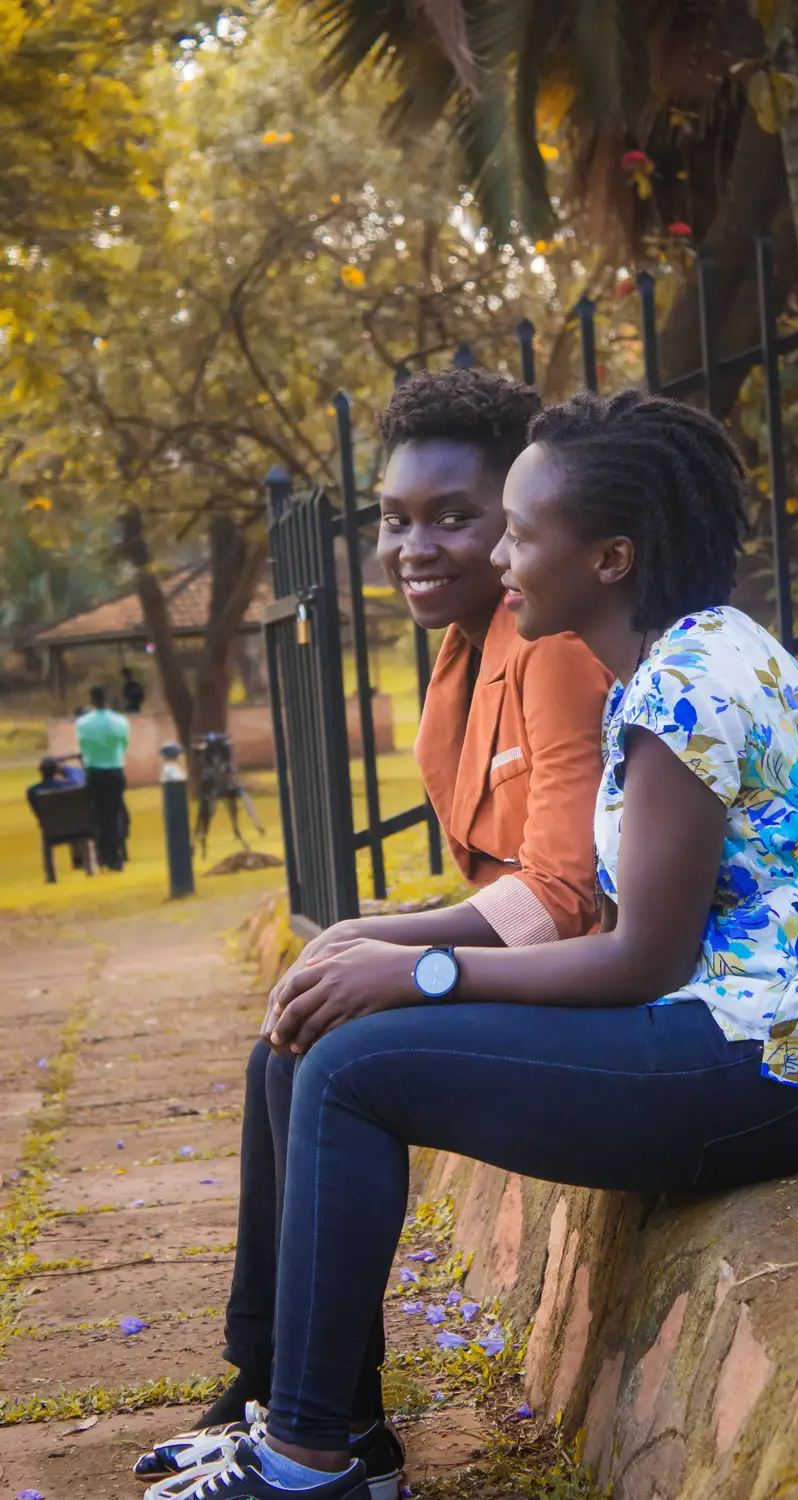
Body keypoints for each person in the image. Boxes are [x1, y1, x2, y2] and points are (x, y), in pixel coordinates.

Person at [153, 390, 798, 1500]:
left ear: (609, 557)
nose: (497, 559)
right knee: (337, 1045)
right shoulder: (693, 658)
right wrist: (399, 966)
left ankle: (311, 1458)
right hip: (760, 1045)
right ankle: (321, 1431)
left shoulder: (684, 689)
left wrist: (417, 969)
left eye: (515, 532)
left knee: (355, 1069)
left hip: (781, 1069)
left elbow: (636, 959)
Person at [136, 369, 612, 1493]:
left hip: (585, 979)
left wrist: (387, 949)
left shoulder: (548, 646)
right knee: (285, 1042)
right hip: (524, 964)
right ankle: (291, 1393)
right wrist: (368, 942)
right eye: (396, 520)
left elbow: (562, 894)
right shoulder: (456, 664)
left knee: (334, 1048)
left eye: (456, 517)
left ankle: (323, 1440)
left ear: (519, 523)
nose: (416, 546)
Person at [76, 686, 130, 870]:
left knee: (98, 814)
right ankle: (115, 856)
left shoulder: (82, 723)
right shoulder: (120, 721)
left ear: (91, 700)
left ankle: (102, 854)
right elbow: (124, 745)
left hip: (94, 772)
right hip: (115, 770)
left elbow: (83, 745)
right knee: (113, 813)